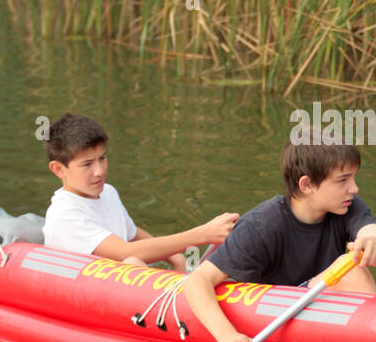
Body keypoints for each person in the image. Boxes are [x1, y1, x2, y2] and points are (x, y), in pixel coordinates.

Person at [182, 136, 376, 342]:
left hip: (341, 307)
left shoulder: (346, 205)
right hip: (287, 315)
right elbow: (198, 281)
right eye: (343, 180)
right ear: (307, 184)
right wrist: (226, 336)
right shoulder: (262, 225)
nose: (354, 189)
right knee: (351, 269)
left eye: (353, 178)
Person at [43, 113, 237, 269]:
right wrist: (202, 234)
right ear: (58, 169)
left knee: (135, 262)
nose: (99, 171)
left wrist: (175, 257)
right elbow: (126, 252)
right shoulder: (65, 215)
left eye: (102, 158)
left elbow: (133, 233)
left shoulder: (107, 192)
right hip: (84, 296)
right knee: (132, 263)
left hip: (115, 285)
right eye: (87, 164)